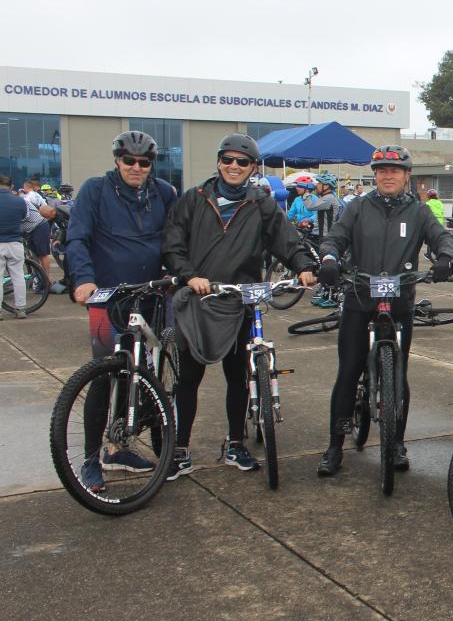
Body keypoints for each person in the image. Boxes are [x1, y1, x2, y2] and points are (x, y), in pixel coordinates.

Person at [162, 134, 317, 477]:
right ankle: (180, 449)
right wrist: (188, 276)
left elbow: (286, 240)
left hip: (239, 299)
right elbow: (173, 244)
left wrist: (303, 266)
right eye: (228, 160)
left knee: (238, 377)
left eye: (242, 162)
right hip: (199, 300)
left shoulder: (261, 203)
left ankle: (235, 443)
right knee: (189, 378)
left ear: (251, 168)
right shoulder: (194, 199)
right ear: (219, 162)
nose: (234, 166)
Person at [315, 145, 453, 477]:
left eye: (395, 170)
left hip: (400, 302)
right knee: (348, 369)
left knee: (399, 372)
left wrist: (445, 258)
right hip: (359, 297)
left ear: (407, 176)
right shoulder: (358, 208)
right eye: (381, 171)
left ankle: (396, 443)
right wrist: (330, 259)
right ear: (375, 175)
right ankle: (335, 446)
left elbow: (441, 237)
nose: (387, 176)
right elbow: (334, 238)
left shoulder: (419, 212)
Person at [63, 131, 179, 485]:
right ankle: (90, 459)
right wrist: (83, 279)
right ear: (117, 160)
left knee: (149, 374)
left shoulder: (164, 192)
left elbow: (174, 239)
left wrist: (178, 272)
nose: (136, 167)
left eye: (144, 162)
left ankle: (124, 448)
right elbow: (77, 237)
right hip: (107, 297)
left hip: (151, 295)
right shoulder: (95, 190)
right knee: (104, 375)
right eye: (129, 160)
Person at [0, 175, 29, 320]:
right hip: (15, 242)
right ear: (11, 186)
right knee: (18, 277)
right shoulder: (20, 201)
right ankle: (21, 309)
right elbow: (24, 217)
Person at [20, 177, 56, 283]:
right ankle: (40, 278)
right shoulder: (37, 195)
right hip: (34, 225)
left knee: (42, 254)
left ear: (26, 187)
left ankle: (47, 280)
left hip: (38, 225)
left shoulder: (27, 197)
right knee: (35, 254)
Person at [302, 172, 343, 237]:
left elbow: (310, 206)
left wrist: (307, 192)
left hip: (326, 236)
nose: (316, 185)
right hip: (322, 234)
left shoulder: (328, 198)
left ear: (326, 186)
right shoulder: (325, 197)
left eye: (319, 183)